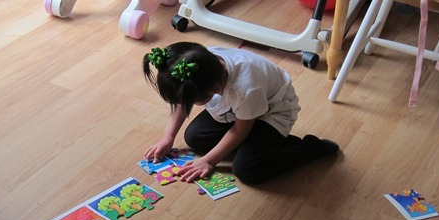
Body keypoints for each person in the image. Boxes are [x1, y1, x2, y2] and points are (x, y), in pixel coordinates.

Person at [142, 42, 339, 185]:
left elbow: (240, 130)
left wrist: (209, 160)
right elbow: (182, 101)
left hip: (271, 112)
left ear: (212, 89)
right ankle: (266, 144)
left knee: (247, 169)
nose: (189, 105)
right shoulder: (201, 63)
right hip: (238, 110)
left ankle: (308, 149)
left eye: (194, 102)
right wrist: (167, 137)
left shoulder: (245, 88)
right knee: (194, 138)